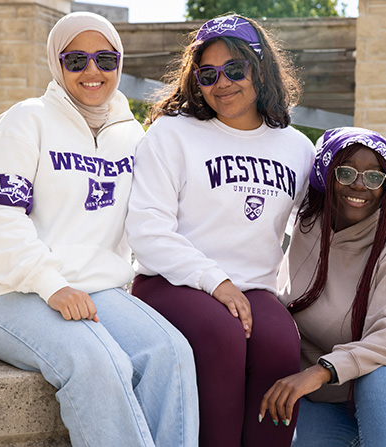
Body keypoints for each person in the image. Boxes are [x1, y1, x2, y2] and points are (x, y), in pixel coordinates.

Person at [0, 12, 198, 447]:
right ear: (56, 62)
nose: (93, 71)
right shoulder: (25, 121)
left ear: (120, 63)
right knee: (95, 361)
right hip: (4, 290)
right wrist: (50, 284)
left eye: (106, 59)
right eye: (77, 59)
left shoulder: (133, 137)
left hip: (94, 288)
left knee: (171, 353)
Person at [125, 14, 315, 447]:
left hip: (253, 288)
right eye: (207, 74)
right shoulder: (172, 134)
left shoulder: (295, 147)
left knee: (281, 344)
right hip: (171, 281)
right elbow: (148, 229)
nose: (222, 83)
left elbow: (317, 226)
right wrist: (215, 281)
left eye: (235, 69)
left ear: (260, 69)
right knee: (222, 335)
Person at [260, 127, 386, 446]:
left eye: (374, 177)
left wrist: (318, 372)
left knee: (377, 379)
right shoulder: (307, 228)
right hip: (335, 397)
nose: (359, 184)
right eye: (346, 172)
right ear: (326, 176)